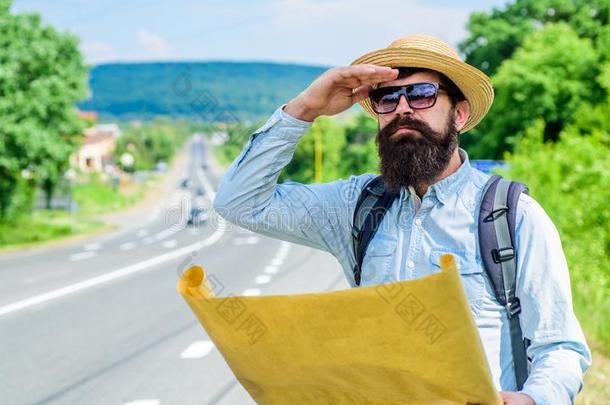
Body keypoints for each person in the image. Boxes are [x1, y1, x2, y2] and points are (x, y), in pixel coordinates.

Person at [213, 34, 591, 405]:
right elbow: (240, 202)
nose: (403, 108)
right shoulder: (356, 206)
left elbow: (560, 347)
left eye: (422, 94)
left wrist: (531, 398)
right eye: (387, 97)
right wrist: (304, 109)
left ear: (458, 114)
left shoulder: (511, 216)